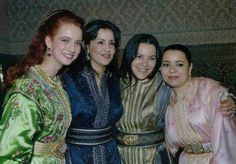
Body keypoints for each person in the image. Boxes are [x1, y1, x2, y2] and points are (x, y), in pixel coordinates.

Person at [0, 9, 85, 163]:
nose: (73, 49)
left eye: (77, 43)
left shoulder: (57, 82)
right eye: (65, 40)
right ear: (49, 41)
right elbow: (9, 155)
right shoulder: (28, 88)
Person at [159, 44, 236, 164]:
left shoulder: (208, 90)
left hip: (214, 159)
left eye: (179, 64)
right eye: (166, 65)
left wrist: (229, 98)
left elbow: (225, 139)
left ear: (189, 67)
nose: (172, 70)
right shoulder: (164, 97)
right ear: (160, 69)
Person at [62, 19, 123, 164]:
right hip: (77, 155)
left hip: (111, 154)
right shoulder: (68, 78)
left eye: (112, 43)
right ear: (87, 46)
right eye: (100, 42)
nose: (107, 49)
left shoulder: (115, 80)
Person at [117, 33, 172, 164]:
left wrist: (225, 97)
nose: (144, 64)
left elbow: (192, 87)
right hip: (119, 156)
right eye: (139, 56)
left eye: (151, 58)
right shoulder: (115, 82)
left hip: (154, 156)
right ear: (130, 56)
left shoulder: (164, 82)